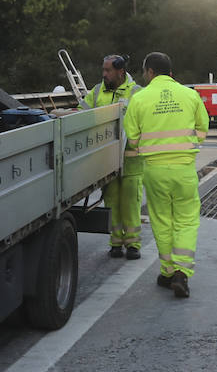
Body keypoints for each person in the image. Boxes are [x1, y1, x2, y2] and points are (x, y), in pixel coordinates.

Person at [124, 52, 208, 298]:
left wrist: (148, 148)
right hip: (184, 169)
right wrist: (189, 146)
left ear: (150, 72)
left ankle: (168, 272)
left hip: (154, 170)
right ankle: (182, 273)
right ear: (170, 71)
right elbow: (203, 127)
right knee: (187, 220)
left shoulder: (140, 99)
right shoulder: (190, 95)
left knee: (162, 220)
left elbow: (132, 138)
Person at [80, 55, 143, 258]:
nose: (104, 74)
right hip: (107, 160)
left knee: (131, 203)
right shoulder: (97, 91)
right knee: (111, 202)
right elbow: (83, 112)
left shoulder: (136, 93)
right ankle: (116, 243)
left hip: (131, 161)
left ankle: (133, 245)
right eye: (103, 70)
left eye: (108, 71)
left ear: (120, 72)